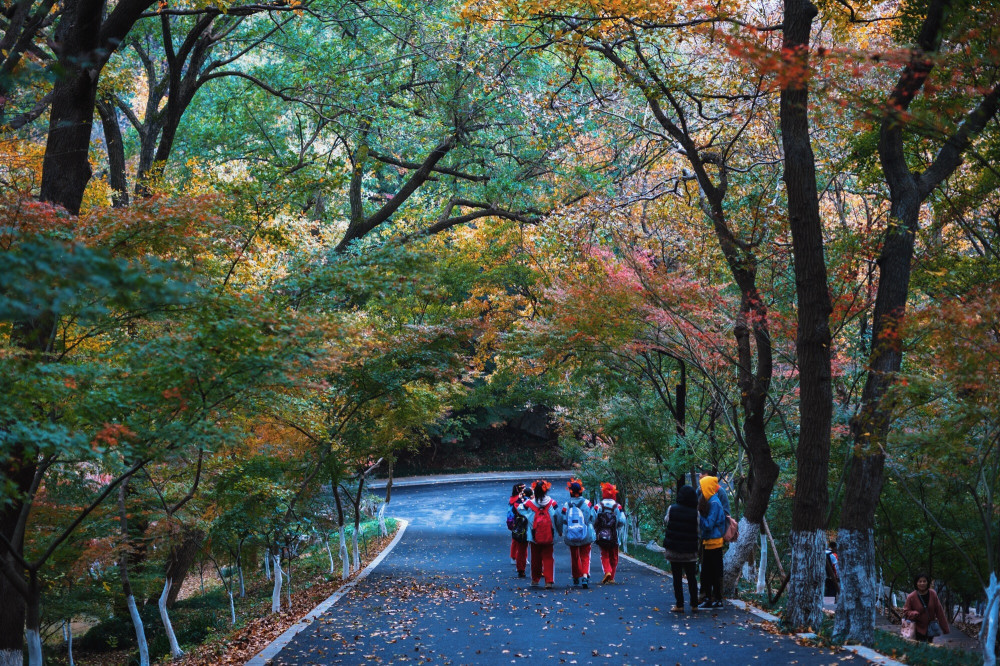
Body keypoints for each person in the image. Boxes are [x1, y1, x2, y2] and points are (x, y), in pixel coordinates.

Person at [663, 484, 700, 613]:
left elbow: (667, 521)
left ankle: (679, 605)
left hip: (674, 550)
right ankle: (694, 604)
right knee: (691, 578)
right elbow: (698, 529)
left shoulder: (671, 508)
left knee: (677, 578)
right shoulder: (696, 512)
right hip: (690, 551)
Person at [519, 480, 559, 588]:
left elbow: (519, 508)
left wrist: (529, 516)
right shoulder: (552, 503)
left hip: (534, 535)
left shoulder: (530, 504)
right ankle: (549, 580)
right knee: (548, 557)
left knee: (535, 558)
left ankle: (535, 580)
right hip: (549, 535)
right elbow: (557, 516)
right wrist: (559, 530)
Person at [557, 478, 595, 588]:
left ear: (570, 492)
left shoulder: (566, 505)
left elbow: (563, 520)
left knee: (574, 556)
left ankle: (575, 577)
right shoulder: (587, 503)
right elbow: (593, 517)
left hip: (571, 534)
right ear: (581, 490)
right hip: (585, 533)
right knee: (585, 556)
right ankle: (584, 576)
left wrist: (562, 531)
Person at [698, 475, 726, 608]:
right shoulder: (710, 501)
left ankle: (717, 599)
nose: (701, 490)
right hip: (709, 541)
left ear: (708, 488)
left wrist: (699, 518)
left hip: (715, 542)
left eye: (702, 487)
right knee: (707, 572)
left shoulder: (714, 503)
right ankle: (709, 598)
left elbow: (709, 524)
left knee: (714, 571)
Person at [593, 482, 626, 584]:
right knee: (614, 555)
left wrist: (597, 529)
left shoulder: (598, 506)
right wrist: (617, 527)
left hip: (602, 534)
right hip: (614, 535)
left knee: (604, 554)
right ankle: (612, 577)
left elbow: (593, 518)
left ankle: (607, 571)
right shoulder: (618, 506)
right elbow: (622, 520)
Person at [903, 574, 950, 643]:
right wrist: (913, 613)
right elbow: (906, 611)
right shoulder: (911, 596)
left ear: (927, 583)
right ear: (916, 583)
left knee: (929, 646)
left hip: (930, 628)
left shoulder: (933, 594)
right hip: (917, 628)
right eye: (920, 581)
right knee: (919, 647)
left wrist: (945, 628)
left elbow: (939, 611)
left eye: (924, 581)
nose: (922, 583)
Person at [507, 483, 529, 578]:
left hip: (515, 523)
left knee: (516, 541)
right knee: (522, 544)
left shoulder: (512, 498)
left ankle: (514, 557)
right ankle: (518, 560)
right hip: (521, 523)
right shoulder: (520, 500)